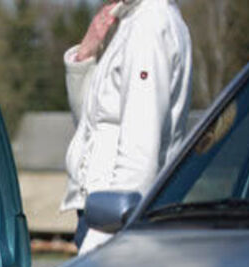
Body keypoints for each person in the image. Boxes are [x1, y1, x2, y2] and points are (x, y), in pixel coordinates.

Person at [61, 0, 192, 253]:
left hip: (113, 221)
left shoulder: (150, 25)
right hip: (104, 212)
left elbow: (140, 157)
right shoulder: (133, 22)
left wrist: (102, 244)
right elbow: (92, 127)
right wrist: (84, 57)